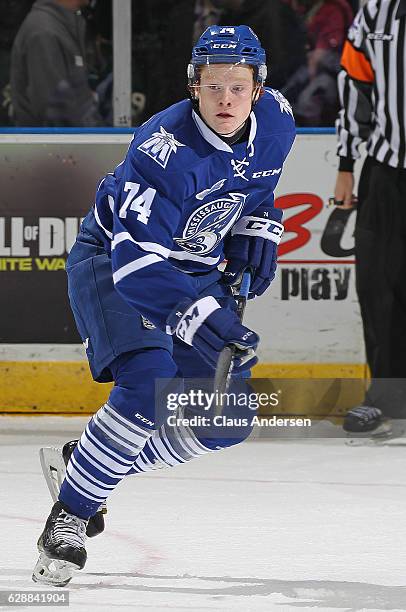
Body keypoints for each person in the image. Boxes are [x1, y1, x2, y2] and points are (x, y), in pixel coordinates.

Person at [32, 25, 296, 586]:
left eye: (239, 88)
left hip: (195, 268)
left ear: (258, 89)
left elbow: (259, 181)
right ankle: (71, 516)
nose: (226, 100)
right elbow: (138, 267)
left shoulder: (277, 118)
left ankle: (85, 462)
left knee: (222, 422)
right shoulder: (164, 151)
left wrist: (260, 227)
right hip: (117, 265)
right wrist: (203, 318)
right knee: (148, 383)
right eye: (213, 87)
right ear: (193, 86)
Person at [333, 0, 406, 434]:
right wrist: (345, 164)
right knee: (378, 286)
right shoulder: (377, 12)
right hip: (384, 172)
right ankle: (387, 396)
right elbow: (353, 87)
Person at [10, 0, 103, 126]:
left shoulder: (65, 25)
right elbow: (55, 108)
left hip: (68, 141)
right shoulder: (44, 32)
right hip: (52, 143)